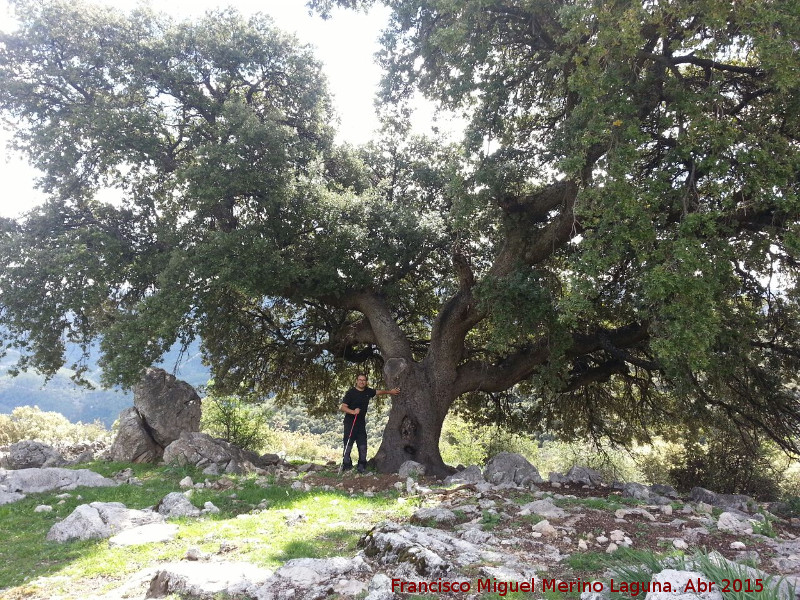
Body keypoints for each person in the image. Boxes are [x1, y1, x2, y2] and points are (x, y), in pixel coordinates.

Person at [340, 373, 400, 473]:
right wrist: (353, 411)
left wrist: (390, 392)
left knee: (362, 446)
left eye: (364, 380)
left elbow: (378, 392)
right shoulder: (351, 393)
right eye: (360, 380)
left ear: (366, 382)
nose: (362, 382)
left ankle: (361, 467)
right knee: (348, 446)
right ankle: (347, 466)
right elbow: (342, 407)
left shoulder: (368, 391)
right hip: (350, 423)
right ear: (356, 381)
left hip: (361, 424)